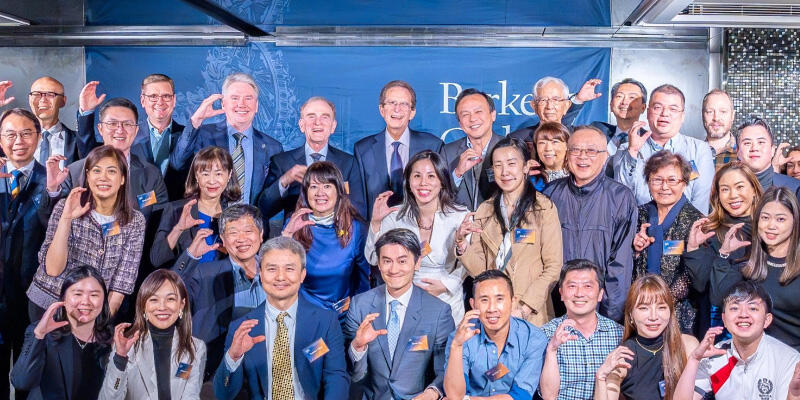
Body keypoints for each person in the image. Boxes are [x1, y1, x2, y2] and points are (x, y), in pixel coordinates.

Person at [213, 236, 349, 400]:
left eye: (289, 269)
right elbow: (223, 394)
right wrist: (233, 357)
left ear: (302, 275)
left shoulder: (326, 321)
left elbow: (336, 378)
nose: (280, 277)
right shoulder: (241, 328)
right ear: (261, 274)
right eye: (272, 269)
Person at [28, 145, 146, 318]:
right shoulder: (66, 206)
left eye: (111, 171)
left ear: (122, 178)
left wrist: (100, 323)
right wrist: (67, 218)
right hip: (49, 303)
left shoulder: (135, 221)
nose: (103, 178)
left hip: (92, 312)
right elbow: (52, 270)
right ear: (88, 176)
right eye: (96, 171)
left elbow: (122, 282)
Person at [457, 137, 563, 326]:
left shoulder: (544, 208)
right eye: (498, 165)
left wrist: (523, 309)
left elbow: (553, 267)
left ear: (525, 167)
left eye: (511, 164)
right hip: (493, 314)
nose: (505, 172)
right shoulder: (485, 210)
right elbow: (481, 272)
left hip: (532, 314)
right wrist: (462, 246)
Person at [344, 228, 454, 399]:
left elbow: (446, 369)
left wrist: (432, 393)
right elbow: (350, 372)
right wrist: (358, 346)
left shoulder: (439, 312)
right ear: (379, 264)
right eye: (387, 261)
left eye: (402, 261)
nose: (394, 269)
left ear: (417, 263)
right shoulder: (360, 305)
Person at [543, 126, 637, 322]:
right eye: (575, 150)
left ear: (605, 157)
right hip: (556, 307)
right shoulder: (550, 194)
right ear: (567, 156)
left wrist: (610, 320)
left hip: (601, 311)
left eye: (592, 151)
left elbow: (620, 266)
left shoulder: (620, 198)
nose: (582, 157)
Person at [366, 150, 469, 322]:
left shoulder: (460, 216)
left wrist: (446, 285)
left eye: (431, 176)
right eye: (417, 176)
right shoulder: (395, 216)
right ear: (408, 182)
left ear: (442, 181)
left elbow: (469, 264)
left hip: (447, 300)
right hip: (404, 301)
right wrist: (375, 223)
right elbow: (373, 259)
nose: (423, 183)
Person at [172, 204, 266, 381]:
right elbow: (167, 293)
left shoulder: (276, 273)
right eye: (233, 233)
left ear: (261, 235)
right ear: (222, 238)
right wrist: (191, 256)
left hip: (262, 372)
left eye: (248, 230)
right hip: (212, 372)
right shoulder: (205, 273)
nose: (241, 239)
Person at [705, 186, 800, 351]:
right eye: (765, 218)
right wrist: (724, 254)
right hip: (755, 357)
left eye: (780, 219)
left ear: (795, 222)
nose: (771, 226)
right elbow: (718, 298)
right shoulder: (747, 262)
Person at [46, 97, 168, 222]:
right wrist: (53, 190)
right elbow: (52, 220)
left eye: (127, 124)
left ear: (136, 130)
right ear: (100, 129)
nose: (120, 130)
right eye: (112, 123)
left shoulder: (152, 174)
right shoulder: (74, 172)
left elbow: (161, 222)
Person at [170, 72, 283, 205]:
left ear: (256, 105)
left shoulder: (273, 147)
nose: (241, 104)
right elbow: (177, 163)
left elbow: (271, 199)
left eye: (248, 98)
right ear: (223, 104)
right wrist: (196, 120)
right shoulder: (203, 135)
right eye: (235, 98)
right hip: (210, 223)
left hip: (252, 223)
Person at [674, 281, 800, 400]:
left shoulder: (788, 360)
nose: (743, 314)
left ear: (767, 320)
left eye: (753, 308)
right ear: (724, 319)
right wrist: (694, 359)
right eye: (734, 308)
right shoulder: (715, 356)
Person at [0, 108, 50, 399]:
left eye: (26, 133)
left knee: (26, 380)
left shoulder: (53, 181)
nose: (18, 140)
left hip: (33, 298)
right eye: (10, 134)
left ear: (39, 136)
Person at [77, 75, 189, 201]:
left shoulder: (190, 135)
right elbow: (89, 154)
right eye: (153, 96)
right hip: (131, 211)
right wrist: (86, 112)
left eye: (166, 96)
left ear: (174, 100)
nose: (160, 102)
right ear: (142, 100)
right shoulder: (126, 132)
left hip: (174, 214)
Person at [280, 161, 370, 316]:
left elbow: (364, 281)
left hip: (343, 316)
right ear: (306, 192)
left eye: (327, 186)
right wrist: (287, 235)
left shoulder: (356, 229)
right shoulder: (293, 224)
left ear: (339, 191)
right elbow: (281, 276)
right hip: (303, 314)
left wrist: (355, 306)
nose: (320, 193)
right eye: (314, 186)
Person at [100, 269, 206, 399]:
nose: (162, 307)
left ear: (182, 305)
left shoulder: (194, 348)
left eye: (170, 299)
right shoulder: (127, 346)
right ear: (143, 305)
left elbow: (190, 395)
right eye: (154, 299)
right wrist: (120, 359)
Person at [684, 160, 761, 338]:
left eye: (740, 187)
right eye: (725, 189)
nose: (733, 195)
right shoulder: (710, 230)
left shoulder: (768, 228)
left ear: (754, 190)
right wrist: (694, 249)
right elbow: (702, 285)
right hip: (719, 331)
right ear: (718, 195)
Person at [11, 266, 113, 399]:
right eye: (77, 294)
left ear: (104, 300)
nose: (86, 302)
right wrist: (39, 335)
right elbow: (21, 382)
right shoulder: (44, 332)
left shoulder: (111, 339)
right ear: (64, 298)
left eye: (94, 295)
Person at [443, 270, 548, 399]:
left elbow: (521, 396)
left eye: (499, 299)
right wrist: (456, 346)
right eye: (484, 300)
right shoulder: (459, 337)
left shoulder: (533, 338)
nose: (492, 308)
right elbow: (454, 395)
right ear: (473, 304)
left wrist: (468, 399)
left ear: (512, 302)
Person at [260, 96, 365, 222]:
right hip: (295, 238)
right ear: (301, 125)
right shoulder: (282, 162)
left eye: (324, 117)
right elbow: (264, 209)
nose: (318, 122)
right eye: (311, 116)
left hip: (336, 237)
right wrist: (285, 180)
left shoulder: (349, 163)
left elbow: (358, 210)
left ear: (333, 126)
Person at [593, 275, 698, 400]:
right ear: (631, 314)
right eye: (644, 308)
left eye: (661, 307)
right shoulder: (624, 357)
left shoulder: (688, 345)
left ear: (670, 312)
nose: (653, 316)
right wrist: (601, 376)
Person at [613, 84, 715, 213]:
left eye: (673, 109)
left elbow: (701, 201)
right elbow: (620, 197)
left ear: (682, 116)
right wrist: (632, 152)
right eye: (657, 107)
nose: (665, 114)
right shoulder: (625, 149)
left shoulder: (700, 150)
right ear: (648, 112)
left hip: (687, 229)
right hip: (638, 229)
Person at [632, 151, 704, 333]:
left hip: (679, 314)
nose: (664, 187)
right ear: (648, 182)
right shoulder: (637, 215)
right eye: (657, 180)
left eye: (672, 180)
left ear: (685, 183)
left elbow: (694, 273)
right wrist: (635, 251)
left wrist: (661, 303)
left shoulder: (697, 221)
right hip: (639, 310)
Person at [353, 80, 443, 213]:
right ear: (382, 110)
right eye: (392, 103)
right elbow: (359, 202)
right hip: (378, 229)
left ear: (412, 112)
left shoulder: (433, 145)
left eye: (404, 104)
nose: (397, 109)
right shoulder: (363, 149)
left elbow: (443, 194)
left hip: (421, 227)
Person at [539, 259, 623, 400]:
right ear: (561, 293)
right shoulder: (546, 333)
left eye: (587, 286)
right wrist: (551, 350)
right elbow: (548, 396)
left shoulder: (618, 334)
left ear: (600, 294)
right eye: (572, 286)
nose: (579, 293)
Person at [151, 146, 241, 268]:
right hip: (183, 284)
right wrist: (178, 229)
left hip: (221, 284)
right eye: (205, 174)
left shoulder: (235, 215)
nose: (212, 181)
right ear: (197, 177)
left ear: (229, 175)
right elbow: (157, 259)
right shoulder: (176, 210)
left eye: (219, 173)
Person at [440, 88, 503, 211]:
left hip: (498, 226)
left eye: (478, 111)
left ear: (493, 115)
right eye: (465, 114)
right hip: (460, 227)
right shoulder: (447, 152)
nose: (472, 119)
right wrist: (457, 173)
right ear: (460, 123)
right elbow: (439, 197)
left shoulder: (510, 148)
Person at [509, 77, 602, 144]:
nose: (549, 106)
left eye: (556, 100)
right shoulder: (516, 139)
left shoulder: (579, 138)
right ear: (534, 106)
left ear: (566, 106)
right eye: (543, 100)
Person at [736, 115, 800, 196]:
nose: (754, 148)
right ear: (737, 151)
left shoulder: (796, 188)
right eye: (747, 143)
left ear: (773, 149)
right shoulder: (725, 187)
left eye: (761, 142)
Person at [28, 77, 85, 166]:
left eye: (50, 94)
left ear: (63, 101)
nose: (43, 100)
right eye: (36, 94)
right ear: (29, 99)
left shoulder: (78, 142)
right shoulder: (13, 139)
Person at [591, 78, 648, 156]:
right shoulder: (597, 130)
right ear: (611, 105)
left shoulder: (650, 140)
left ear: (643, 108)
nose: (624, 102)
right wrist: (578, 100)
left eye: (632, 97)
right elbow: (568, 134)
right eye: (619, 96)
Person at [701, 89, 737, 169]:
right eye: (710, 111)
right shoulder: (692, 154)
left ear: (732, 116)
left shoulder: (744, 154)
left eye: (723, 112)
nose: (716, 118)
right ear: (702, 115)